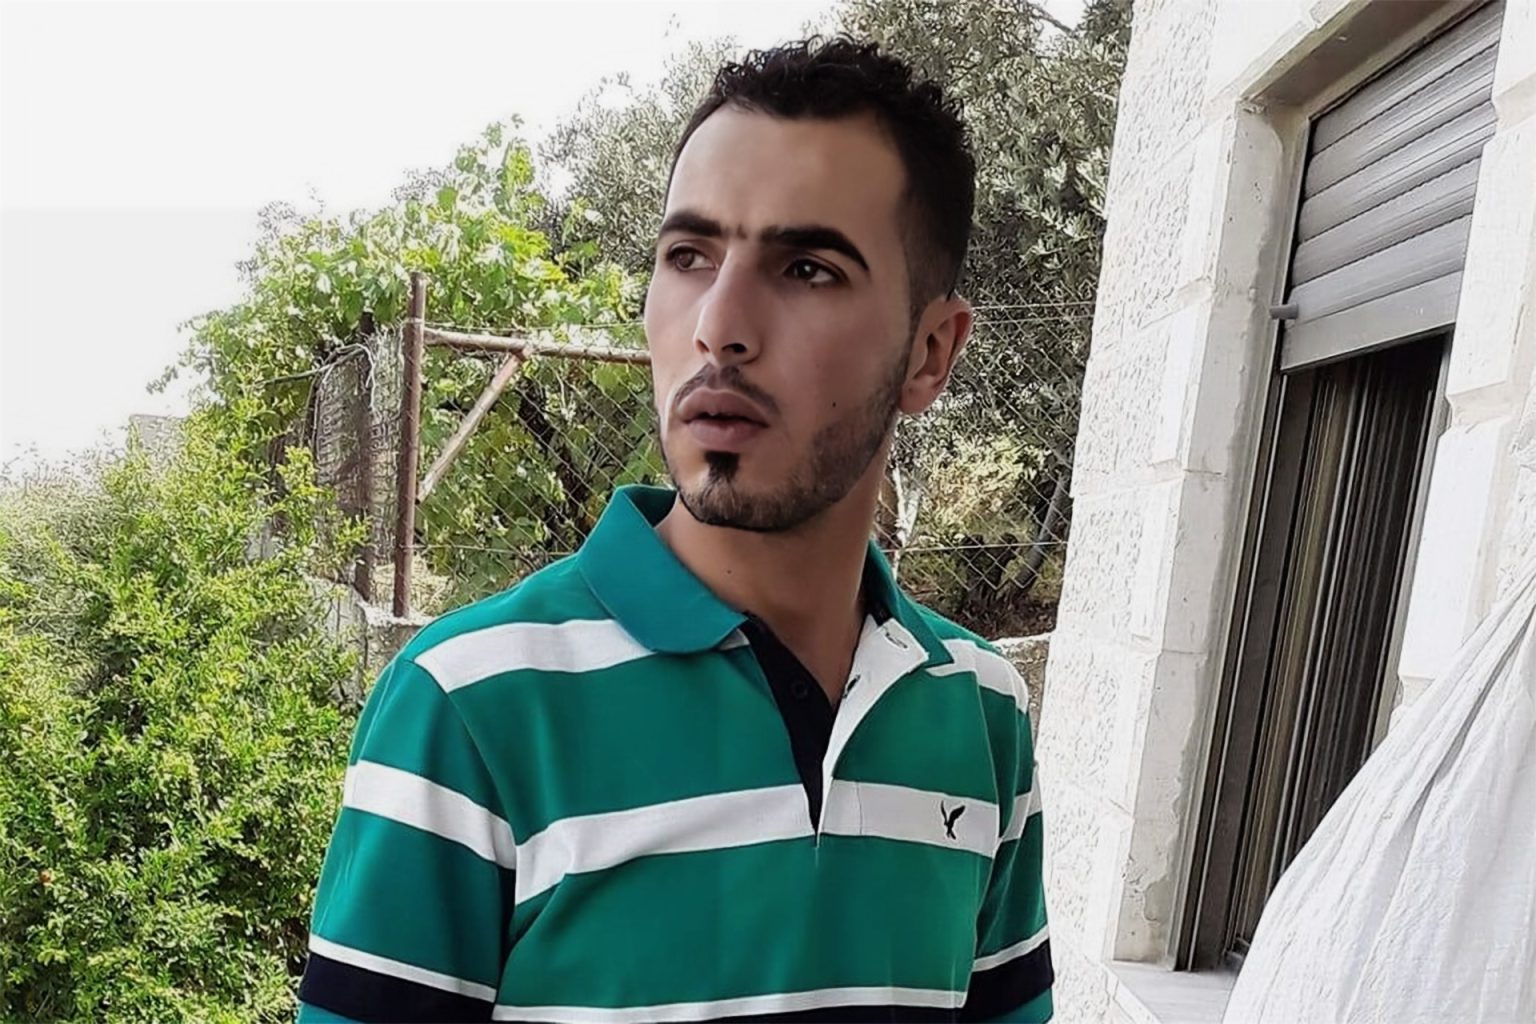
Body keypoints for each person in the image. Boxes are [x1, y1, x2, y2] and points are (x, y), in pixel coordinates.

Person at [296, 36, 1051, 1024]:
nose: (719, 325)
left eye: (808, 268)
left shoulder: (984, 715)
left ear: (930, 352)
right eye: (689, 256)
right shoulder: (470, 705)